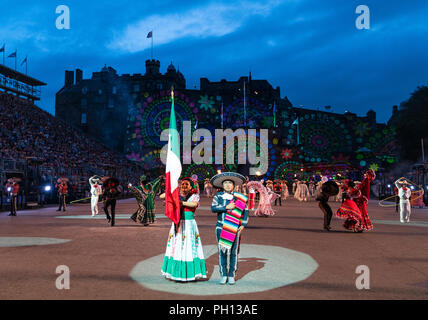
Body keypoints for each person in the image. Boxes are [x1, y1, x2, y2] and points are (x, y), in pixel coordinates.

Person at [161, 177, 207, 282]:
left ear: (191, 187)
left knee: (189, 247)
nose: (184, 186)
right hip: (177, 223)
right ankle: (176, 272)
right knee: (176, 246)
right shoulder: (176, 195)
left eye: (186, 184)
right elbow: (162, 196)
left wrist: (181, 203)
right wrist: (171, 190)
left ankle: (189, 273)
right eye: (182, 184)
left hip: (189, 225)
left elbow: (194, 204)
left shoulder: (194, 196)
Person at [211, 172, 249, 285]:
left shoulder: (240, 198)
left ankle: (232, 274)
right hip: (221, 227)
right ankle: (223, 274)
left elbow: (245, 212)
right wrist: (226, 207)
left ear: (234, 185)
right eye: (225, 183)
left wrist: (243, 225)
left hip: (234, 227)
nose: (227, 185)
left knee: (233, 252)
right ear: (222, 185)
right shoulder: (218, 196)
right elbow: (213, 209)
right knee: (222, 251)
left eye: (230, 183)